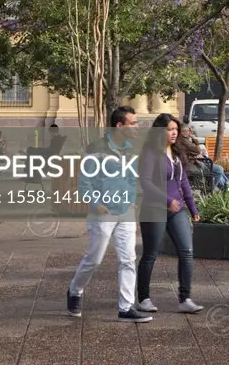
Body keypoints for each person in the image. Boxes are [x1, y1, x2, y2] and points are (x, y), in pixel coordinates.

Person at [67, 105, 150, 323]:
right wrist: (97, 205)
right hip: (103, 213)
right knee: (94, 259)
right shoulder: (97, 148)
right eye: (133, 123)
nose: (137, 127)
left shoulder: (130, 150)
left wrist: (132, 203)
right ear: (119, 126)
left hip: (126, 212)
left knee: (128, 259)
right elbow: (84, 183)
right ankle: (75, 291)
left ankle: (125, 308)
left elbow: (132, 179)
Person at [137, 113, 203, 314]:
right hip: (154, 209)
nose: (174, 133)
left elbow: (183, 183)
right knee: (150, 254)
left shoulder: (176, 154)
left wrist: (193, 208)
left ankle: (185, 298)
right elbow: (145, 182)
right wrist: (167, 201)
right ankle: (144, 298)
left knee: (187, 251)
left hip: (178, 211)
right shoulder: (149, 153)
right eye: (169, 129)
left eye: (175, 129)